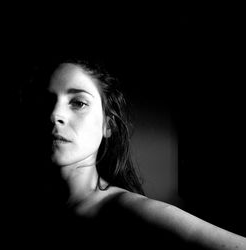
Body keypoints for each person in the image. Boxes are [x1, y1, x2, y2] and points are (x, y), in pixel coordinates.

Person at [19, 55, 246, 249]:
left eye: (78, 102)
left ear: (108, 125)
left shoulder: (127, 212)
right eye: (45, 101)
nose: (55, 114)